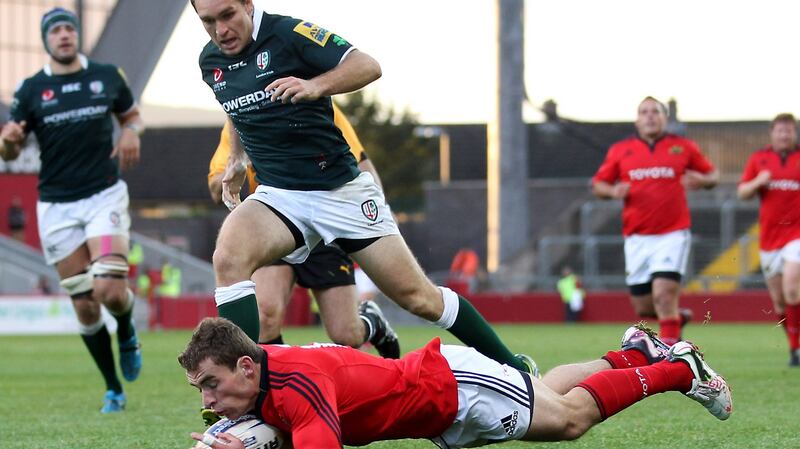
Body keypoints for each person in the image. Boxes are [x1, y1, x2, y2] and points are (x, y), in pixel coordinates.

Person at [190, 0, 536, 375]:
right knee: (228, 258)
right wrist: (238, 158)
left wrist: (314, 85)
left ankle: (514, 366)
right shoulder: (211, 62)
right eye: (208, 21)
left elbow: (367, 65)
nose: (220, 30)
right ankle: (246, 398)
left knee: (418, 299)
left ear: (247, 4)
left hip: (340, 192)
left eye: (228, 16)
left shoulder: (289, 34)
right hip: (280, 196)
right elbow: (235, 108)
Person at [180, 317, 732, 449]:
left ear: (247, 367)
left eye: (211, 384)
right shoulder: (266, 369)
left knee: (568, 421)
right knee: (544, 391)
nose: (208, 402)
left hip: (450, 389)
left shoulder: (295, 384)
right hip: (437, 400)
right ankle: (632, 351)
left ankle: (680, 370)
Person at [0, 7, 144, 413]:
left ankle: (128, 330)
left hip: (103, 194)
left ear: (75, 35)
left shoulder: (106, 76)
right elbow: (10, 147)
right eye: (56, 30)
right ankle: (113, 386)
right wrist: (7, 141)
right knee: (84, 303)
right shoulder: (30, 90)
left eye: (68, 28)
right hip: (57, 204)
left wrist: (131, 131)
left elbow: (131, 115)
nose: (63, 35)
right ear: (47, 39)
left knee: (110, 291)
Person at [207, 109, 400, 358]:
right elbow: (215, 187)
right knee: (264, 315)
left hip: (322, 220)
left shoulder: (316, 104)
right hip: (273, 221)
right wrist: (240, 163)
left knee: (346, 333)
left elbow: (361, 162)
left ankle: (372, 320)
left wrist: (380, 209)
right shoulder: (239, 118)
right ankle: (278, 387)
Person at [592, 96, 719, 346]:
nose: (650, 116)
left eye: (655, 111)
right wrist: (612, 191)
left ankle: (669, 357)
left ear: (664, 118)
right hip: (637, 236)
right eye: (644, 112)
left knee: (663, 294)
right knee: (644, 308)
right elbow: (599, 184)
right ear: (637, 120)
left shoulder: (682, 147)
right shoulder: (621, 150)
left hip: (672, 233)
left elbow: (712, 174)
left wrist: (703, 181)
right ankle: (675, 319)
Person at [738, 113, 800, 367]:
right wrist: (757, 182)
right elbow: (742, 192)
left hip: (796, 235)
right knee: (779, 301)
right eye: (780, 131)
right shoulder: (759, 159)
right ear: (772, 134)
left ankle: (797, 351)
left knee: (792, 287)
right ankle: (793, 346)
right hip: (769, 240)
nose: (784, 135)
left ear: (794, 134)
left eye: (789, 131)